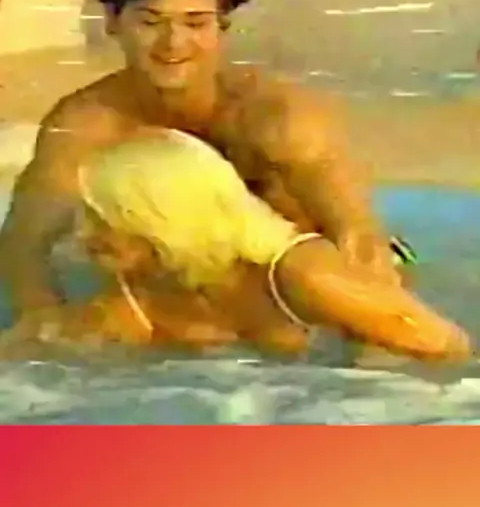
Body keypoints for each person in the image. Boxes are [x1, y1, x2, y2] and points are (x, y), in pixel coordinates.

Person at [0, 0, 401, 340]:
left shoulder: (277, 120)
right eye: (150, 22)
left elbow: (360, 238)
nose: (173, 43)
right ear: (112, 21)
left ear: (222, 26)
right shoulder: (86, 126)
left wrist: (370, 351)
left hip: (300, 306)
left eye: (195, 24)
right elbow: (23, 244)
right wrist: (44, 322)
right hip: (180, 316)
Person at [1, 132, 469, 363]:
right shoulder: (142, 295)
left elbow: (450, 351)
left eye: (102, 218)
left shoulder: (306, 276)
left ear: (161, 223)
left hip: (364, 272)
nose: (82, 235)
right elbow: (38, 345)